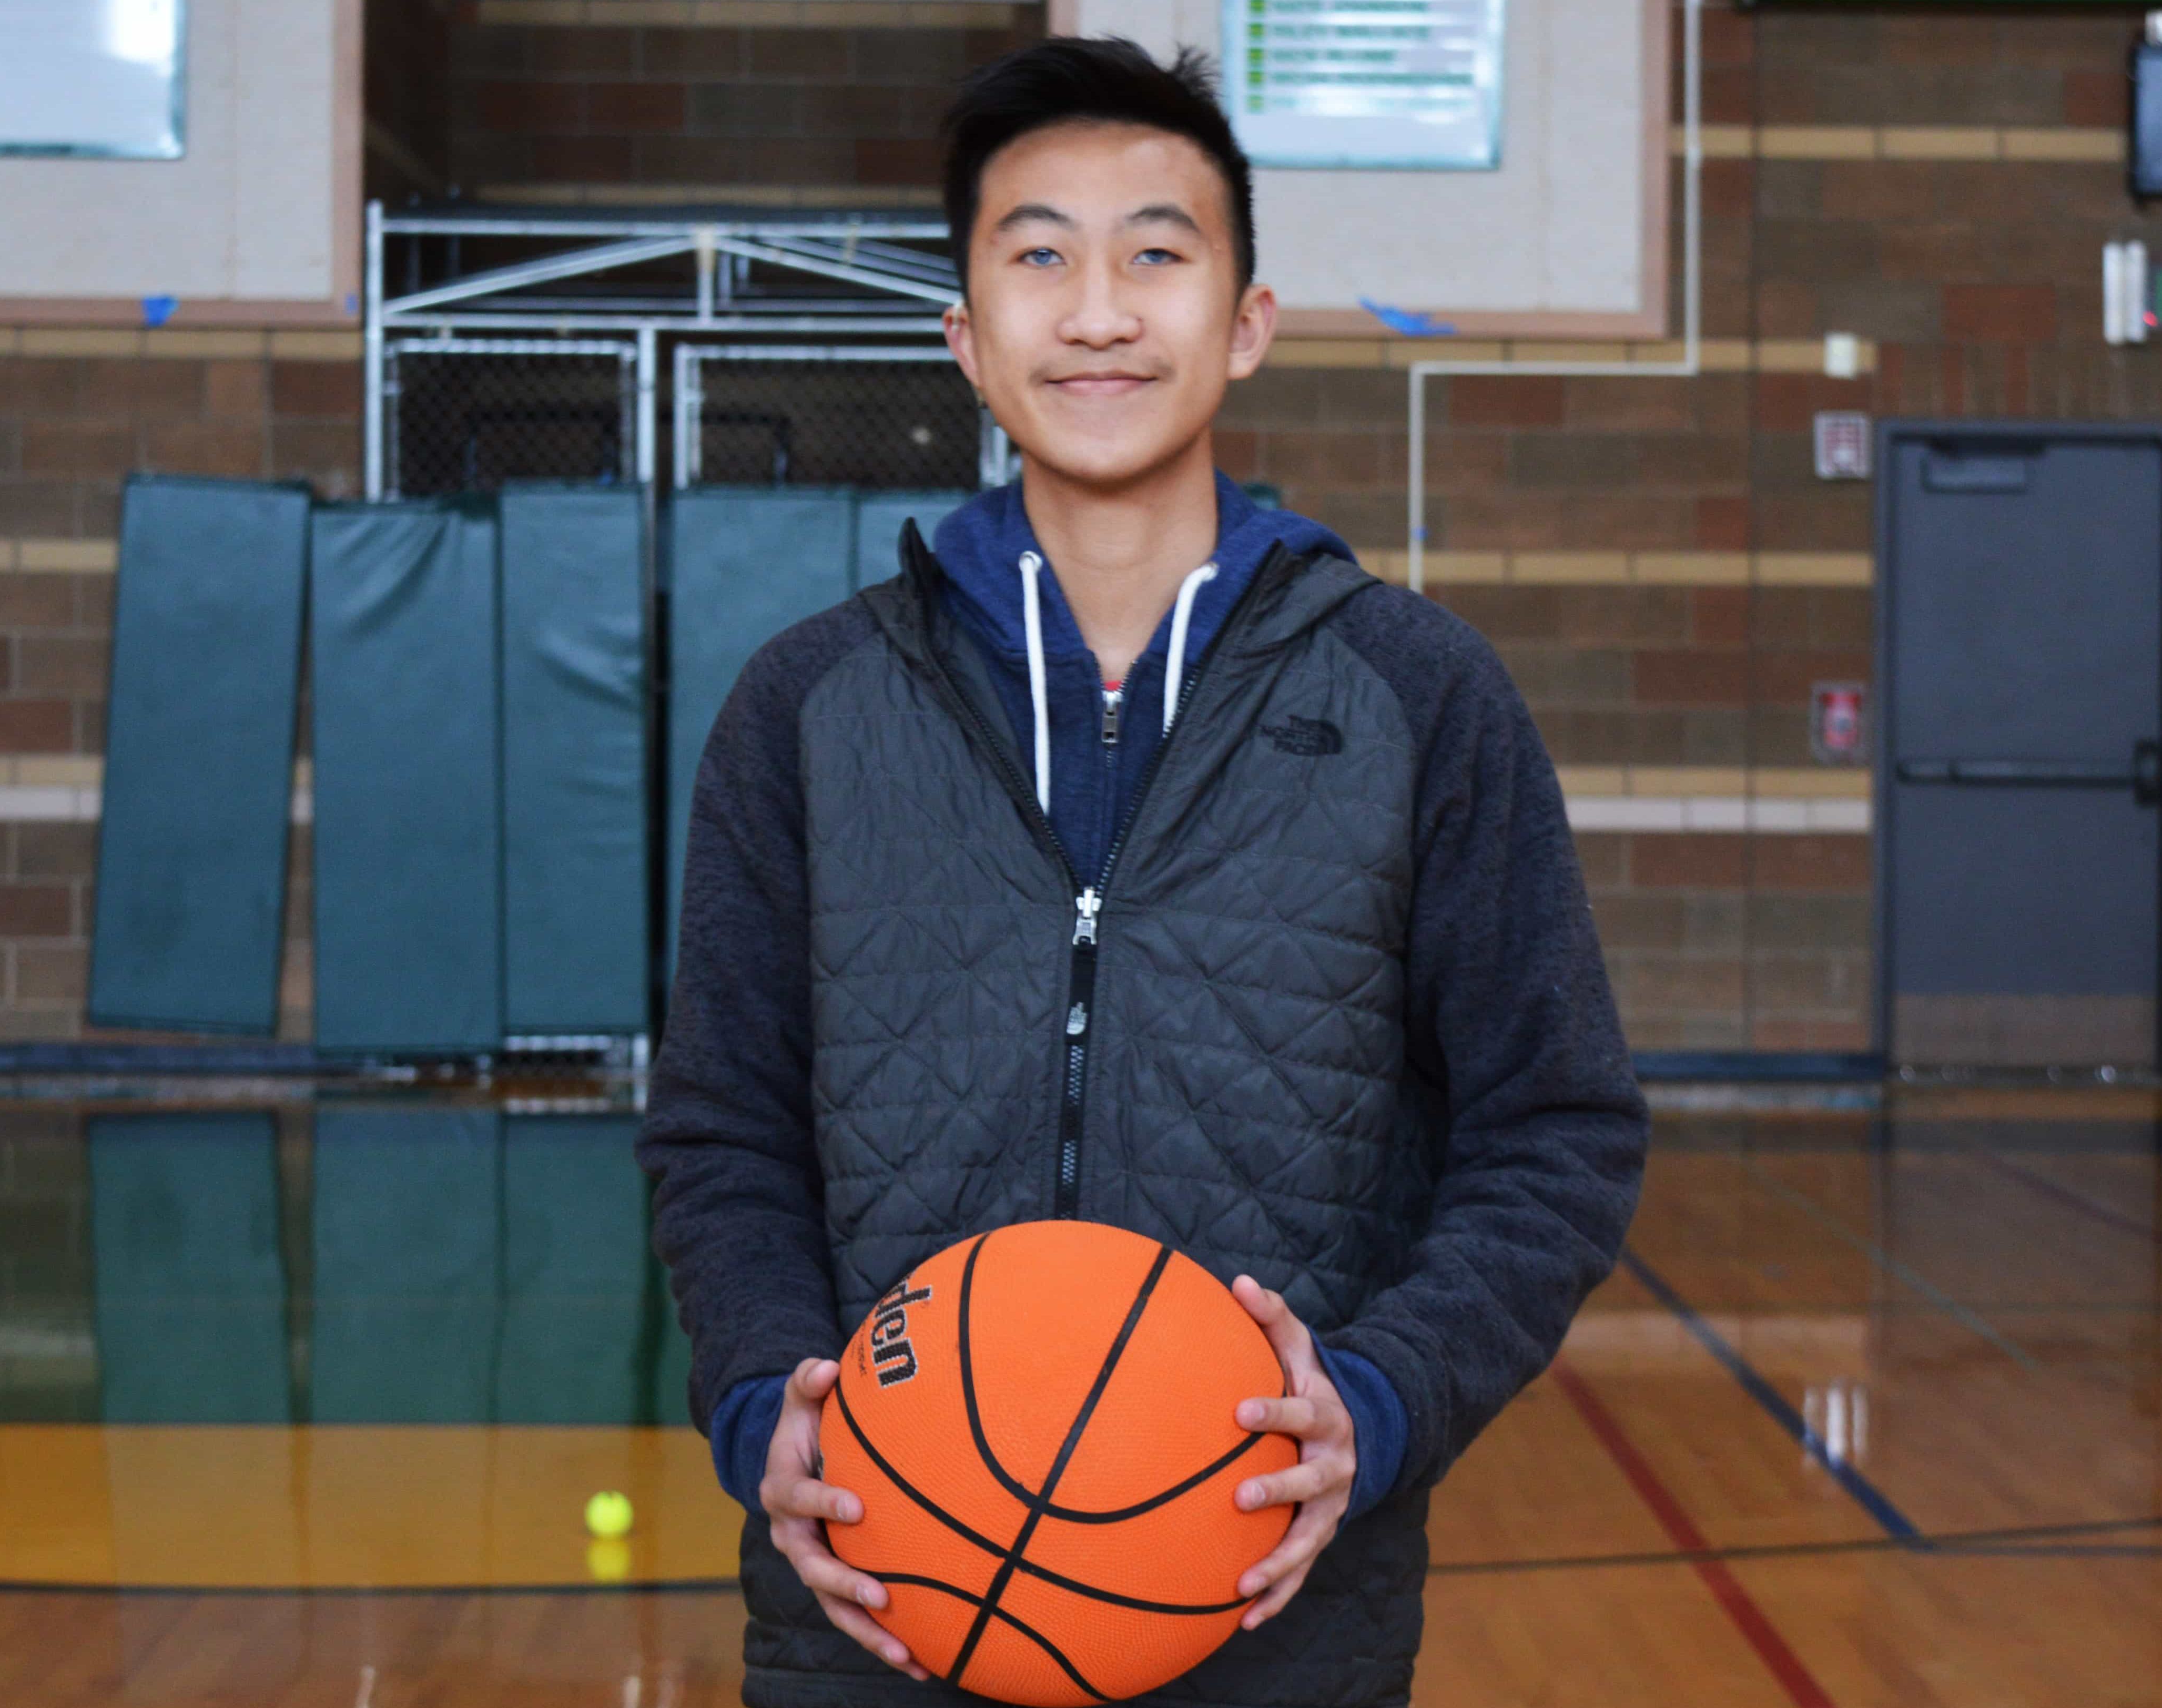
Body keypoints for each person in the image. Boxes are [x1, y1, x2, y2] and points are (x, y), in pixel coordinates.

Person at [641, 36, 1648, 1708]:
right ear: (966, 337)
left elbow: (1559, 1129)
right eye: (1038, 256)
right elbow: (722, 1128)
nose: (1098, 311)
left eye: (1156, 256)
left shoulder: (1417, 694)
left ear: (1246, 322)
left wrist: (1382, 1402)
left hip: (1274, 1614)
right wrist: (765, 1407)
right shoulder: (807, 707)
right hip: (880, 1611)